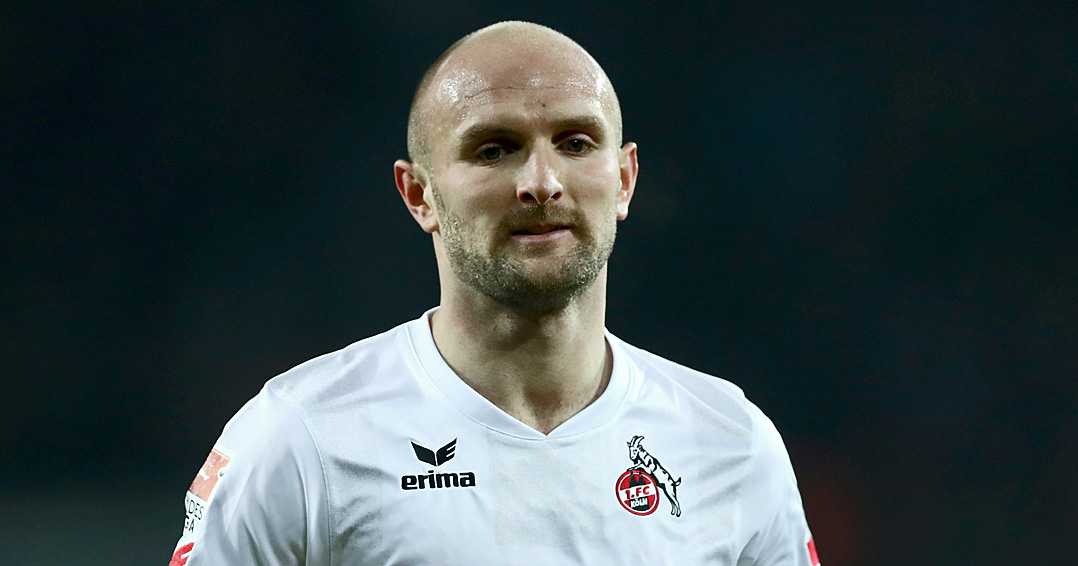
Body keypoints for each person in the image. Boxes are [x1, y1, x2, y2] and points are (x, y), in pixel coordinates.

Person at [168, 21, 820, 566]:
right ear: (419, 194)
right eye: (494, 149)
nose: (541, 182)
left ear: (623, 180)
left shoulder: (730, 442)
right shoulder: (300, 437)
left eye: (575, 143)